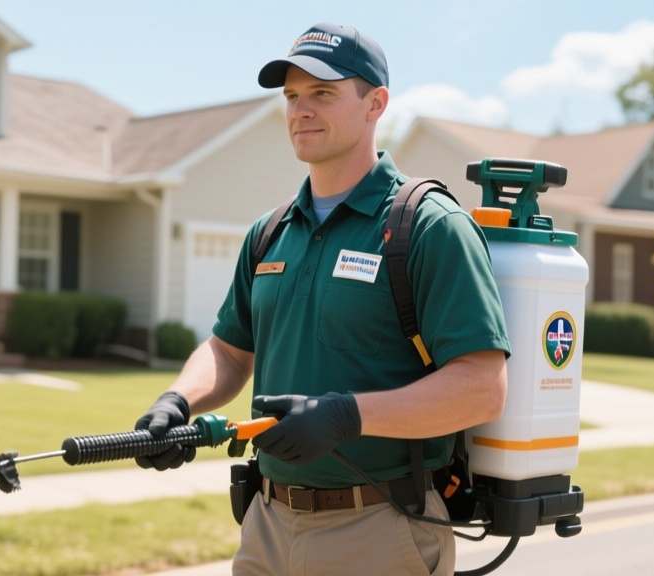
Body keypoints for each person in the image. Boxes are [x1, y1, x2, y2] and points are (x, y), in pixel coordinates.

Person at [133, 22, 510, 576]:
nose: (300, 110)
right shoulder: (270, 231)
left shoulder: (428, 227)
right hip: (266, 525)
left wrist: (345, 416)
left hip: (380, 527)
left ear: (375, 103)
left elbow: (481, 389)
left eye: (323, 93)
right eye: (291, 96)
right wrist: (177, 402)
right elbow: (230, 350)